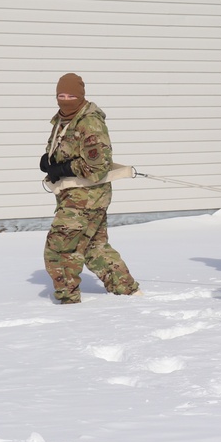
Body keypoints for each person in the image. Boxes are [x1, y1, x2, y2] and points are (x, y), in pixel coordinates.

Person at [39, 73, 140, 304]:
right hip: (77, 196)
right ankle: (128, 292)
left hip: (86, 197)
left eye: (71, 95)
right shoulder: (63, 120)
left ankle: (68, 301)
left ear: (81, 96)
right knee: (94, 247)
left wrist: (63, 168)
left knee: (59, 249)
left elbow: (98, 166)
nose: (65, 100)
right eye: (61, 95)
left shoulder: (89, 122)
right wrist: (50, 162)